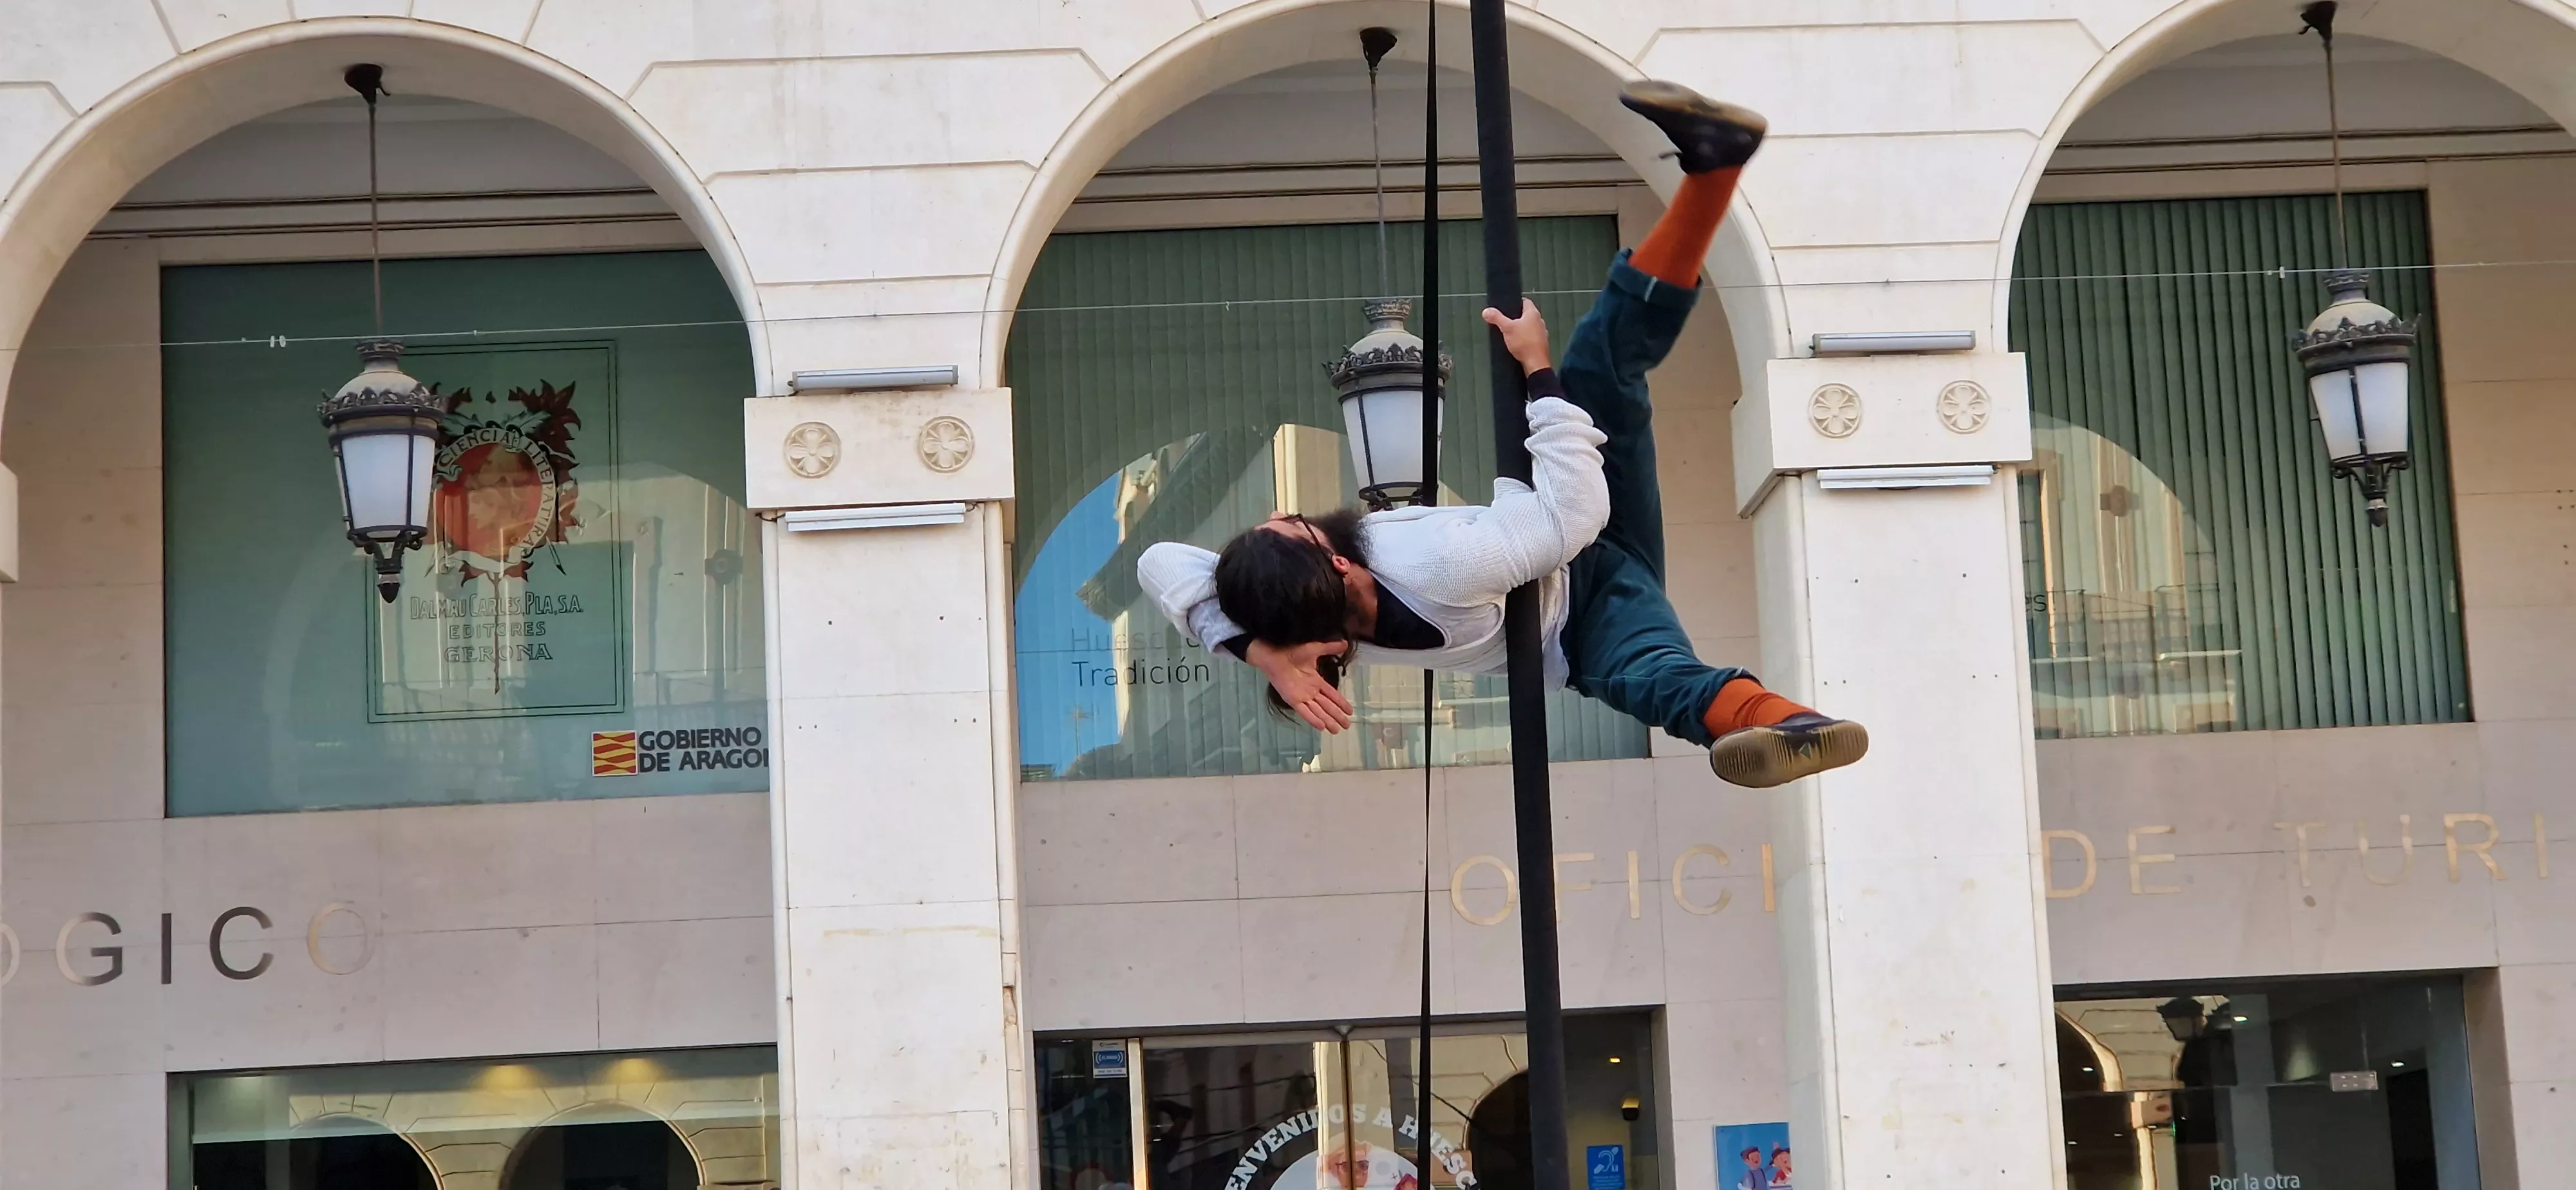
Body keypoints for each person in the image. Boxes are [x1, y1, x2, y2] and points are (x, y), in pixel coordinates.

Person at [1138, 80, 1868, 788]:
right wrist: (1537, 373)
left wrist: (1252, 648)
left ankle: (1714, 165)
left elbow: (1160, 559)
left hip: (1549, 552)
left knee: (1606, 365)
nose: (1278, 515)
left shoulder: (1291, 631)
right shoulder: (1430, 560)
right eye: (1292, 524)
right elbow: (1573, 516)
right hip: (1577, 589)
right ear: (1337, 567)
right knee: (1641, 674)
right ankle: (1789, 725)